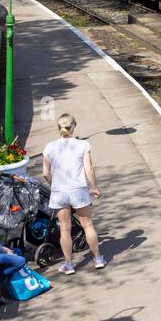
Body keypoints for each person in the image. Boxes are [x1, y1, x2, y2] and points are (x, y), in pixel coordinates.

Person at [42, 113, 105, 273]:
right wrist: (94, 187)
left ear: (59, 128)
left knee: (65, 229)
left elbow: (46, 174)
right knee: (87, 225)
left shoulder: (49, 147)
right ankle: (98, 259)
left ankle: (69, 264)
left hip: (59, 192)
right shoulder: (83, 145)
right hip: (79, 190)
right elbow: (89, 169)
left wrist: (54, 185)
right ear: (74, 126)